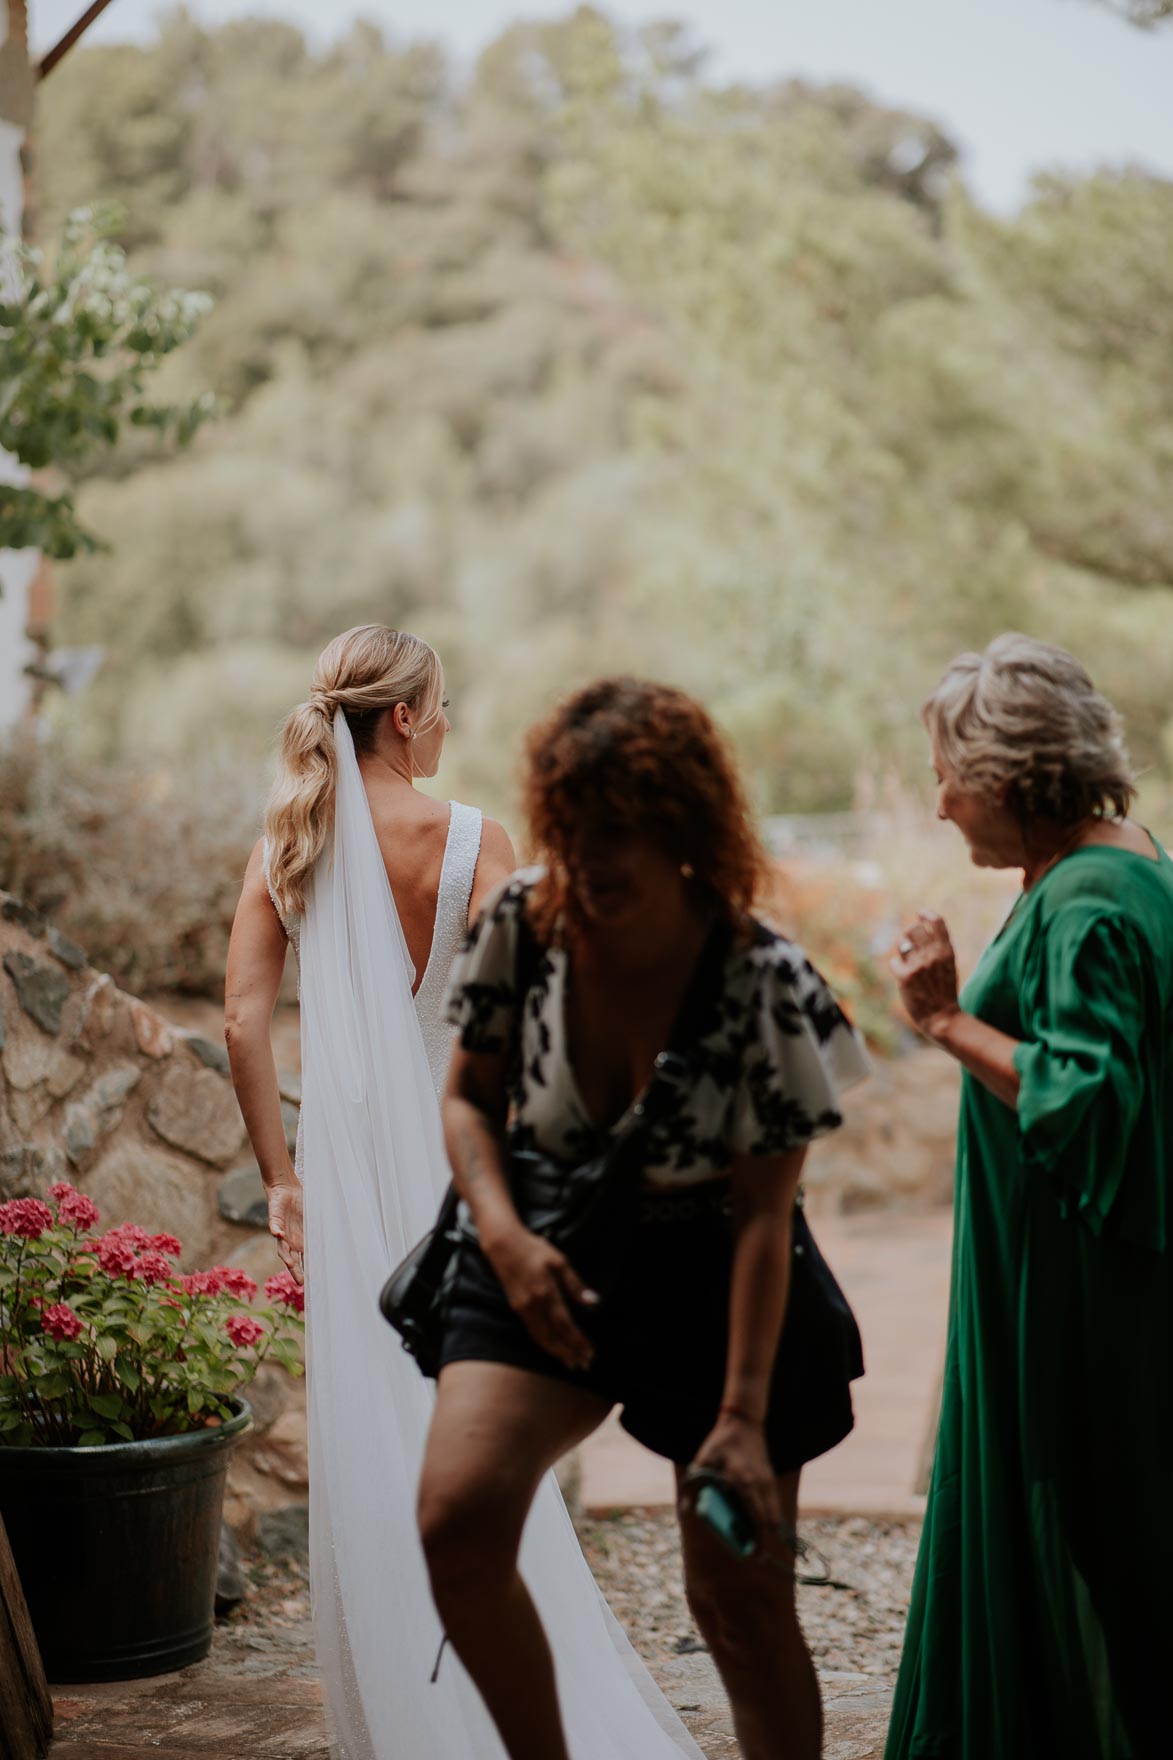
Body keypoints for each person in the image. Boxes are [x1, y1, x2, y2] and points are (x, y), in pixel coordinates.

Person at [225, 629, 704, 1760]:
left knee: (369, 1415)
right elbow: (553, 988)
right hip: (465, 1158)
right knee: (471, 1405)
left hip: (344, 1169)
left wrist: (280, 1178)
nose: (446, 725)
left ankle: (405, 1702)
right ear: (402, 718)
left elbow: (244, 1021)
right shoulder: (473, 836)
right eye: (440, 706)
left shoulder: (288, 839)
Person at [419, 677, 870, 1760]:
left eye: (616, 831)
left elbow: (770, 1215)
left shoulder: (763, 978)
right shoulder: (521, 921)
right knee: (458, 1521)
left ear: (680, 828)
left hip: (724, 1267)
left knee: (738, 1599)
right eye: (571, 829)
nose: (589, 859)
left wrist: (744, 1417)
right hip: (549, 1237)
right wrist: (506, 1237)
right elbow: (469, 1101)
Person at [886, 633, 1173, 1760]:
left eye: (947, 773)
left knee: (1098, 1530)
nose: (939, 799)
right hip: (1069, 1269)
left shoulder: (1089, 901)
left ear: (1007, 778)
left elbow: (1089, 1095)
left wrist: (946, 1018)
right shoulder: (1123, 857)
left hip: (1071, 1291)